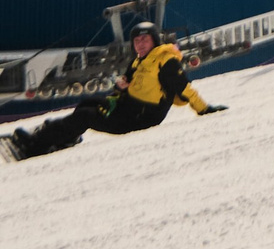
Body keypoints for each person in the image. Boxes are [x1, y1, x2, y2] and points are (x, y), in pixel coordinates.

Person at [7, 20, 226, 160]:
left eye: (145, 39)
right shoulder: (139, 61)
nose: (140, 44)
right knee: (88, 103)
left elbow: (184, 88)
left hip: (140, 118)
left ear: (155, 41)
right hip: (127, 108)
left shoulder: (165, 60)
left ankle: (35, 146)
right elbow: (124, 85)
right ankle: (60, 138)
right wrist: (119, 90)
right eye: (137, 40)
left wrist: (204, 109)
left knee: (86, 116)